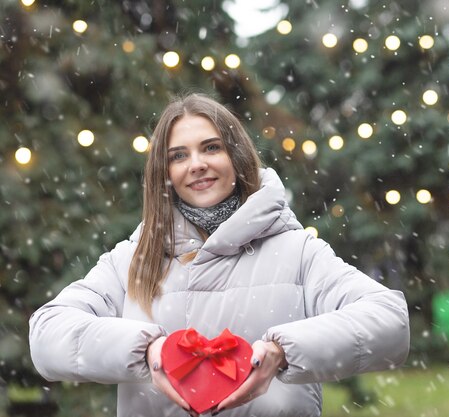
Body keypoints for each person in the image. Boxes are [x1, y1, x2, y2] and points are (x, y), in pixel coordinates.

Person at [29, 93, 410, 417]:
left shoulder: (297, 252)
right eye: (178, 156)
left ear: (238, 157)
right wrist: (148, 351)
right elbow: (47, 333)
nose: (196, 164)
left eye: (211, 147)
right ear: (165, 173)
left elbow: (390, 322)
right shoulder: (133, 259)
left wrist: (282, 351)